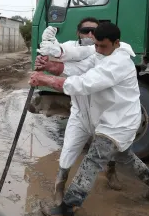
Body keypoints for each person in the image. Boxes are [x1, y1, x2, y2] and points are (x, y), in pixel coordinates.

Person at [30, 22, 149, 216]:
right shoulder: (99, 53)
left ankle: (69, 207)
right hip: (104, 119)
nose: (97, 49)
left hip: (119, 121)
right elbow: (78, 66)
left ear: (116, 43)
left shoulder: (119, 63)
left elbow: (85, 83)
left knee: (94, 158)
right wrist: (49, 66)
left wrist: (46, 80)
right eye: (95, 45)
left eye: (102, 46)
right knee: (126, 158)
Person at [37, 18, 122, 205]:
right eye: (86, 31)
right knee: (69, 148)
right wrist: (45, 61)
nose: (90, 35)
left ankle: (112, 172)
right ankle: (59, 186)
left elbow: (76, 63)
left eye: (94, 31)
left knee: (113, 148)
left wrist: (52, 68)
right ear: (78, 32)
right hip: (80, 112)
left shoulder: (104, 54)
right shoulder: (70, 47)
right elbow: (65, 56)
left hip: (103, 113)